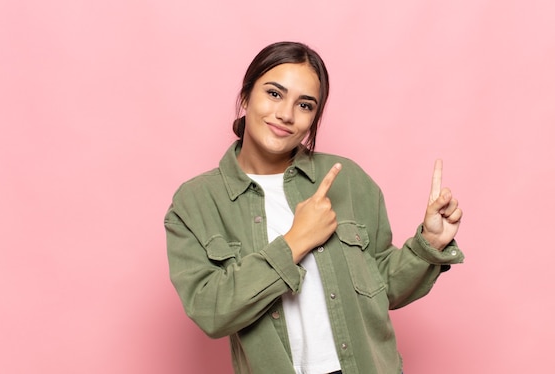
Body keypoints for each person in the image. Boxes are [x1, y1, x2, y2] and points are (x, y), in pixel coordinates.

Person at [165, 41, 464, 374]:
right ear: (246, 96)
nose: (286, 114)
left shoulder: (347, 179)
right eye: (274, 94)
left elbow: (383, 288)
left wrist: (429, 245)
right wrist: (295, 242)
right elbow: (211, 312)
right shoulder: (195, 203)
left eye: (305, 105)